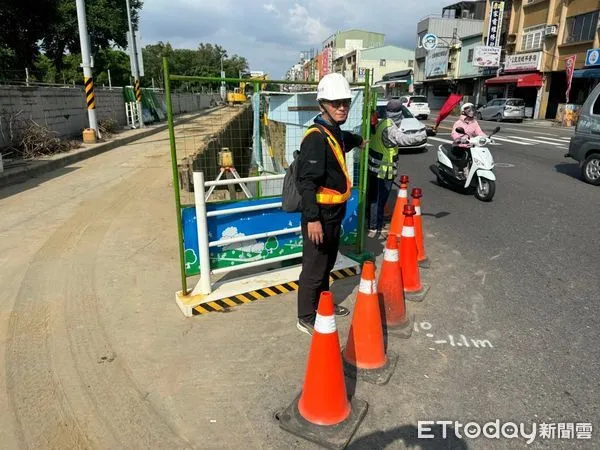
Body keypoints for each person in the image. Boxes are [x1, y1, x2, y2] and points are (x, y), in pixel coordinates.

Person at [295, 73, 366, 335]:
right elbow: (307, 183)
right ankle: (305, 316)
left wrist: (359, 140)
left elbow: (343, 139)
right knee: (314, 268)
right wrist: (313, 219)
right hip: (320, 215)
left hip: (334, 212)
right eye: (335, 103)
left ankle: (324, 305)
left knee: (327, 263)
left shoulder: (332, 131)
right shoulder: (315, 138)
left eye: (345, 102)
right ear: (322, 105)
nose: (342, 107)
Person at [366, 99, 427, 238]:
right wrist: (423, 135)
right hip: (383, 171)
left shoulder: (381, 123)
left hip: (374, 168)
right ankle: (375, 227)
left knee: (374, 198)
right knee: (379, 199)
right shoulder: (390, 128)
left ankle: (373, 224)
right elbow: (404, 140)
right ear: (399, 114)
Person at [450, 102, 487, 178]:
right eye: (469, 111)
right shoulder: (458, 123)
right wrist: (459, 139)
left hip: (469, 145)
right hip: (459, 145)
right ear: (463, 112)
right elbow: (454, 133)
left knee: (479, 153)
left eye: (472, 110)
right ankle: (460, 171)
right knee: (466, 154)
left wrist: (486, 137)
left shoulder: (474, 122)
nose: (472, 112)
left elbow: (479, 132)